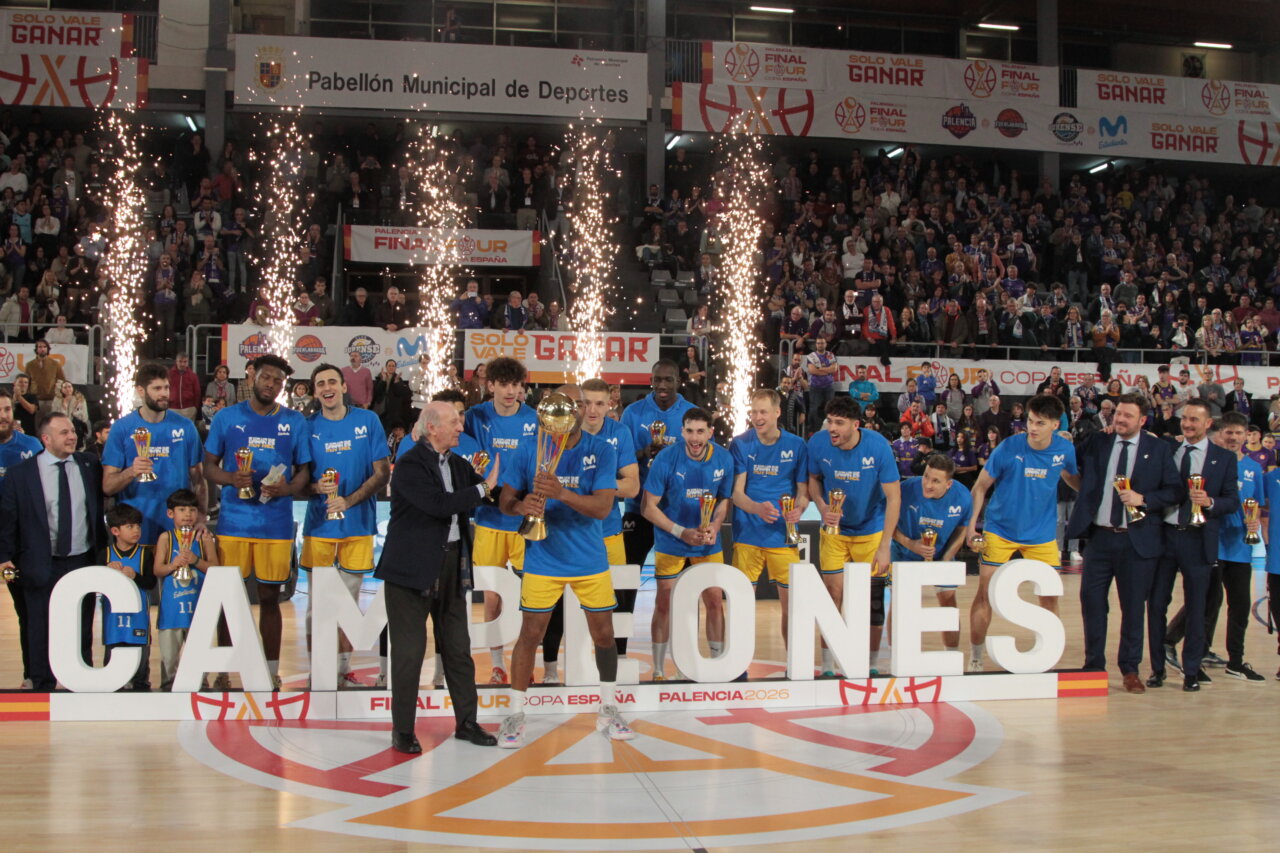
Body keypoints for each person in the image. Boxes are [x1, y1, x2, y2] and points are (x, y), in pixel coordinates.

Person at [497, 385, 635, 748]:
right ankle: (515, 713)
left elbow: (603, 508)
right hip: (542, 557)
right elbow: (505, 499)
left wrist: (562, 493)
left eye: (576, 404)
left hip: (589, 558)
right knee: (530, 634)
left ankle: (608, 707)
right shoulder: (530, 449)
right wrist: (521, 506)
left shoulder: (601, 450)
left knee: (604, 635)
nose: (569, 410)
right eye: (562, 403)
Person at [377, 401, 501, 753]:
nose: (461, 427)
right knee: (409, 653)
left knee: (459, 650)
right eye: (454, 422)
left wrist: (523, 500)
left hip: (452, 566)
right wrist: (483, 489)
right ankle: (402, 730)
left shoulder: (458, 464)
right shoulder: (409, 466)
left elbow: (489, 492)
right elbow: (438, 504)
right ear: (432, 428)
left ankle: (466, 723)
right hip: (410, 570)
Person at [203, 354, 312, 690]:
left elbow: (305, 471)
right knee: (229, 599)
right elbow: (208, 466)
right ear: (252, 377)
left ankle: (270, 670)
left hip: (275, 524)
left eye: (278, 381)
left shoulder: (295, 421)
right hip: (233, 523)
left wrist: (288, 489)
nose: (271, 385)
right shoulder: (226, 417)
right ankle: (223, 668)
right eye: (266, 377)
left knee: (269, 599)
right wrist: (232, 479)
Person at [1065, 392, 1181, 692]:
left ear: (1142, 420)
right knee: (1092, 603)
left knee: (1132, 608)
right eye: (1118, 413)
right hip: (1100, 539)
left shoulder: (1158, 448)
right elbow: (1067, 461)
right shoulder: (1098, 441)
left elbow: (1174, 491)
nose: (1119, 419)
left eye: (1127, 415)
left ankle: (1130, 670)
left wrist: (1145, 500)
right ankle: (1093, 666)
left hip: (1138, 541)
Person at [964, 394, 1079, 672]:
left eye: (1040, 422)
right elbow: (980, 487)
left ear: (1055, 424)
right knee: (984, 593)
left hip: (1041, 534)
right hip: (1000, 529)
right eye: (1030, 420)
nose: (1033, 427)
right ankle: (976, 655)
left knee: (1049, 597)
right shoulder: (1007, 447)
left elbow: (1072, 478)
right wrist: (970, 527)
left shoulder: (1064, 450)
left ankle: (1047, 652)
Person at [0, 412, 106, 690]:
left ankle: (81, 682)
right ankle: (41, 683)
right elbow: (8, 520)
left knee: (82, 624)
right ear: (45, 439)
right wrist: (4, 560)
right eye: (64, 432)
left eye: (72, 431)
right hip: (38, 562)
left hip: (83, 559)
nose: (72, 436)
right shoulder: (19, 475)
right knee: (39, 625)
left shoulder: (90, 464)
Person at [302, 363, 392, 687]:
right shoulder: (307, 426)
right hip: (318, 528)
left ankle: (341, 670)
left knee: (349, 607)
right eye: (320, 383)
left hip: (359, 526)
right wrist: (315, 489)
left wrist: (348, 501)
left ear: (343, 387)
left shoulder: (368, 421)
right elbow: (299, 482)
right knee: (316, 607)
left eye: (331, 382)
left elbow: (382, 474)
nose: (326, 388)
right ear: (315, 391)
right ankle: (318, 672)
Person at [1147, 399, 1239, 692]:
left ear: (1208, 423)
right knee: (1157, 604)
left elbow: (1232, 501)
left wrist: (1210, 502)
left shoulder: (1224, 459)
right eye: (1184, 419)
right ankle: (1157, 669)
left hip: (1198, 540)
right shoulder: (1167, 450)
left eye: (1194, 420)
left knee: (1197, 607)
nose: (1187, 424)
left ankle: (1191, 672)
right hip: (1164, 537)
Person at [806, 395, 900, 676]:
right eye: (829, 421)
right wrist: (822, 507)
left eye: (839, 423)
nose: (832, 428)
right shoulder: (818, 443)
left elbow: (894, 498)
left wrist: (885, 545)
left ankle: (869, 663)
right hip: (834, 531)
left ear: (856, 424)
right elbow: (813, 480)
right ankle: (826, 665)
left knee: (873, 599)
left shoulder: (878, 446)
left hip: (871, 530)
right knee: (832, 595)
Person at [1172, 411, 1264, 682]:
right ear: (1219, 434)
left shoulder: (1254, 469)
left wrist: (1254, 524)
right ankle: (1191, 653)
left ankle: (1236, 661)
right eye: (1229, 433)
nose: (1233, 437)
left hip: (1240, 547)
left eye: (1238, 433)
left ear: (1247, 435)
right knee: (1206, 604)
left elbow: (1256, 505)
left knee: (1240, 605)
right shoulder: (1211, 463)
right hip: (1211, 543)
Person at [642, 407, 733, 680]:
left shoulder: (724, 458)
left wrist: (715, 527)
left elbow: (723, 500)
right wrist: (681, 532)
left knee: (715, 600)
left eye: (700, 432)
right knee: (664, 602)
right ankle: (658, 670)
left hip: (706, 542)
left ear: (711, 433)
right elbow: (648, 508)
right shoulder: (667, 458)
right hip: (672, 540)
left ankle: (717, 665)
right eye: (690, 431)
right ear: (682, 432)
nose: (695, 438)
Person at [463, 356, 538, 683]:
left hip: (524, 521)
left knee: (530, 597)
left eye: (516, 385)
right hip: (488, 520)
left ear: (522, 387)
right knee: (488, 597)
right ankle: (494, 663)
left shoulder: (535, 419)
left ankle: (525, 662)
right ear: (489, 385)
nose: (510, 391)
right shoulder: (473, 417)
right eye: (503, 384)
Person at [619, 360, 695, 652]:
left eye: (669, 380)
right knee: (626, 581)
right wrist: (643, 453)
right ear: (650, 380)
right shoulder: (633, 413)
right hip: (638, 510)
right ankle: (619, 651)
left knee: (684, 586)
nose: (662, 386)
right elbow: (619, 458)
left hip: (676, 514)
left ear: (678, 380)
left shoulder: (689, 413)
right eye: (657, 380)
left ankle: (685, 651)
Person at [730, 389, 808, 650]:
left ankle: (794, 663)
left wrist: (799, 509)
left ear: (777, 412)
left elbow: (803, 494)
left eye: (763, 411)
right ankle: (737, 666)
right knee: (741, 605)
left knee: (793, 606)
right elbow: (736, 495)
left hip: (784, 537)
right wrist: (756, 509)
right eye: (753, 411)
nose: (757, 417)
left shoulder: (797, 445)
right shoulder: (740, 443)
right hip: (747, 535)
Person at [578, 378, 640, 685]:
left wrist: (597, 486)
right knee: (565, 604)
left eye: (599, 403)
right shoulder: (566, 431)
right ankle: (559, 666)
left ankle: (617, 663)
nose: (592, 410)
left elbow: (633, 484)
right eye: (586, 402)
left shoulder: (620, 433)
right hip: (572, 532)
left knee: (616, 602)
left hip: (609, 532)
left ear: (610, 405)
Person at [890, 454, 973, 654]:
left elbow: (962, 531)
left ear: (949, 484)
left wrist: (945, 561)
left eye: (935, 481)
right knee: (900, 602)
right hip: (904, 551)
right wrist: (911, 545)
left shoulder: (963, 497)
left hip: (941, 552)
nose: (927, 484)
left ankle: (951, 655)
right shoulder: (906, 488)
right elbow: (886, 523)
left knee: (948, 600)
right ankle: (898, 654)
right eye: (926, 476)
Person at [153, 489, 219, 691]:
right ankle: (168, 684)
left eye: (192, 510)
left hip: (198, 605)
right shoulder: (166, 538)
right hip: (172, 609)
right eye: (182, 509)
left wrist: (195, 560)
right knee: (169, 653)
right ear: (170, 514)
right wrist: (173, 565)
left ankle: (201, 684)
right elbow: (158, 569)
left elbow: (215, 568)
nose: (188, 514)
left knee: (199, 649)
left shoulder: (203, 537)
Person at [0, 388, 43, 687]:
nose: (2, 416)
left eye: (5, 409)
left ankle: (32, 675)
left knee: (26, 611)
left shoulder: (31, 446)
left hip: (15, 548)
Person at [101, 504, 151, 691]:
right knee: (113, 654)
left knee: (140, 656)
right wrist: (106, 572)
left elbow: (150, 583)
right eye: (130, 526)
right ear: (115, 530)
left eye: (138, 526)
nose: (136, 530)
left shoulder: (145, 553)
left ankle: (141, 686)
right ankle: (113, 688)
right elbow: (96, 586)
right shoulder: (105, 555)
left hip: (138, 617)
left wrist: (135, 576)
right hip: (113, 619)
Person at [804, 336, 837, 430]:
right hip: (815, 386)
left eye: (822, 343)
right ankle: (812, 429)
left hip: (829, 386)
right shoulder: (811, 356)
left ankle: (830, 428)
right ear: (816, 345)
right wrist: (827, 370)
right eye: (818, 343)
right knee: (813, 409)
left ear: (826, 344)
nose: (820, 345)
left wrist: (820, 369)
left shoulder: (830, 355)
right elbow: (812, 371)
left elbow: (834, 369)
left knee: (831, 409)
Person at [168, 353, 201, 421]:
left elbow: (197, 392)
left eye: (185, 362)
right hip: (172, 408)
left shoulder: (193, 375)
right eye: (180, 361)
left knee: (188, 430)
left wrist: (195, 407)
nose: (182, 364)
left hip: (189, 409)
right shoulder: (169, 374)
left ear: (188, 362)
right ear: (176, 361)